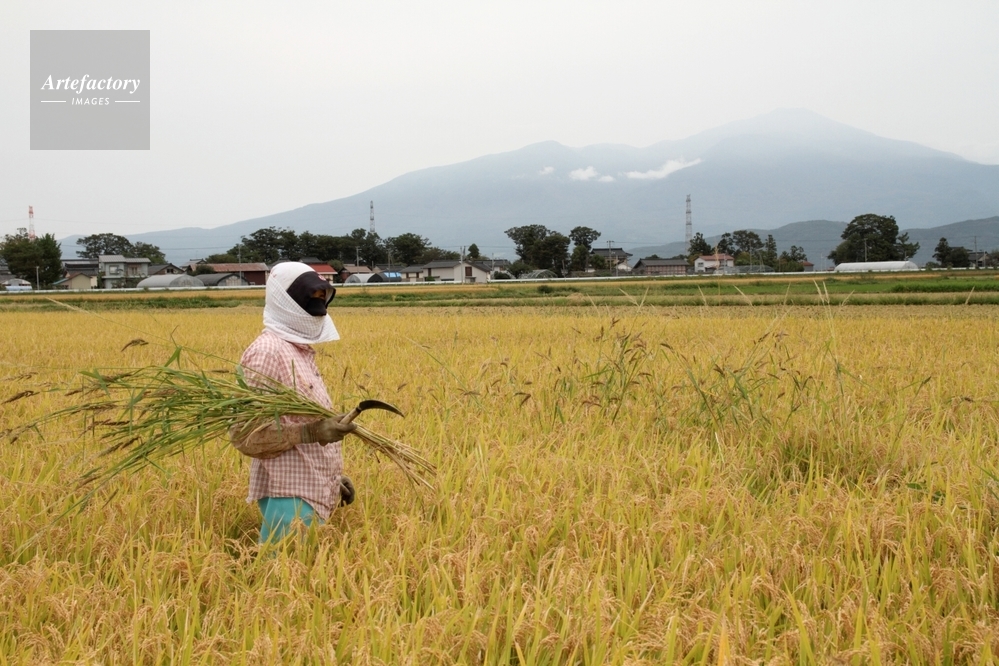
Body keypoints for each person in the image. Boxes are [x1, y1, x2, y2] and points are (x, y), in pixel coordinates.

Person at [230, 261, 356, 544]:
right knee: (281, 570)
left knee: (309, 571)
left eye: (323, 296)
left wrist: (333, 479)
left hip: (312, 490)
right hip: (289, 497)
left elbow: (298, 420)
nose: (319, 302)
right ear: (285, 300)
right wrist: (313, 432)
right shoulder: (267, 353)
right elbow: (244, 435)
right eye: (311, 296)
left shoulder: (298, 351)